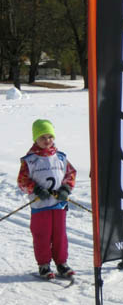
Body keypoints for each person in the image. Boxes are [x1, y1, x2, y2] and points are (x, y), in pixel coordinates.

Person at [17, 119, 76, 280]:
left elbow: (70, 174)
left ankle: (61, 263)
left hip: (58, 204)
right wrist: (35, 189)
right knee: (42, 235)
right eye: (42, 137)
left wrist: (66, 188)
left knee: (60, 235)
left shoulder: (61, 157)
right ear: (35, 139)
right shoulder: (30, 160)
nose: (47, 141)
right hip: (40, 204)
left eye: (50, 136)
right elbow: (22, 181)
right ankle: (44, 265)